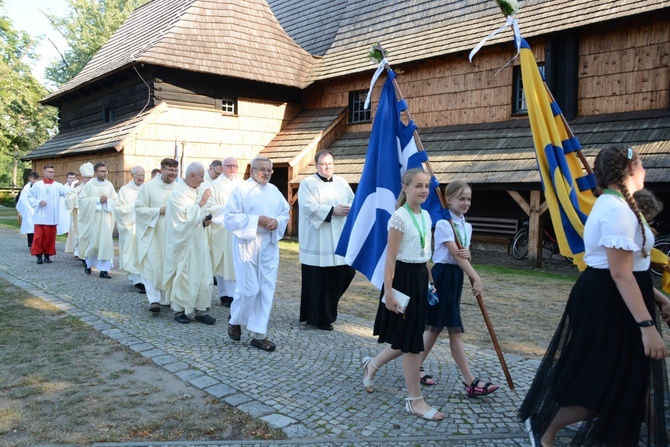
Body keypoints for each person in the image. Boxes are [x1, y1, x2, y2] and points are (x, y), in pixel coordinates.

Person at [519, 146, 669, 447]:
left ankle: (656, 431)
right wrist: (647, 327)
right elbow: (619, 274)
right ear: (629, 170)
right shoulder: (615, 211)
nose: (646, 172)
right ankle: (544, 425)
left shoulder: (621, 207)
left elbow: (630, 269)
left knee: (629, 374)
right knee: (606, 377)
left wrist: (658, 298)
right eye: (642, 165)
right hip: (608, 302)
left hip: (620, 297)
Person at [361, 168, 445, 421]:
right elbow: (390, 260)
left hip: (420, 279)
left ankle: (372, 365)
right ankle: (415, 400)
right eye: (418, 185)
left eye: (426, 186)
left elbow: (423, 252)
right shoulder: (398, 217)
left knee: (409, 338)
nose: (423, 190)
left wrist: (430, 281)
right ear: (405, 187)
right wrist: (388, 293)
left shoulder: (427, 216)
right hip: (402, 282)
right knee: (411, 344)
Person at [418, 180, 498, 396]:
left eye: (469, 199)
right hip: (443, 275)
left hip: (456, 277)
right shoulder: (444, 224)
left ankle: (414, 366)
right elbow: (455, 254)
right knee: (455, 330)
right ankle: (470, 381)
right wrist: (476, 277)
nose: (466, 203)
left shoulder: (466, 225)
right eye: (461, 198)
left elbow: (466, 254)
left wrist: (467, 258)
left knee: (435, 329)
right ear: (449, 199)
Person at [224, 156, 289, 352]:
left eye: (269, 170)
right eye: (262, 170)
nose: (266, 173)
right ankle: (235, 319)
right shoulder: (241, 190)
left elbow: (285, 212)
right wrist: (256, 220)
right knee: (248, 289)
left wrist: (277, 222)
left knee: (265, 290)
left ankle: (259, 335)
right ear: (252, 171)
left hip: (268, 245)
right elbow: (230, 218)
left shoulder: (274, 191)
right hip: (247, 244)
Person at [298, 150, 355, 331]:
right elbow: (308, 207)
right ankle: (317, 318)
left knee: (345, 274)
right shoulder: (308, 183)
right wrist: (332, 211)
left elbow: (354, 202)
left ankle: (327, 312)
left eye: (330, 163)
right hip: (317, 240)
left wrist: (348, 209)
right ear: (316, 165)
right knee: (318, 282)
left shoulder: (342, 183)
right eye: (323, 164)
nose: (327, 166)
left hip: (339, 239)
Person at [162, 162, 216, 324]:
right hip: (183, 243)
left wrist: (205, 220)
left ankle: (200, 310)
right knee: (185, 275)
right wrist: (201, 203)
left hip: (198, 240)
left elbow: (199, 215)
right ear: (191, 176)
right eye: (200, 176)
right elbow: (183, 219)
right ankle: (180, 311)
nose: (202, 180)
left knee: (204, 275)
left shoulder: (198, 189)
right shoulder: (178, 193)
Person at [135, 158, 179, 313]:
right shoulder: (148, 187)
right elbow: (139, 209)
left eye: (175, 170)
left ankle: (167, 298)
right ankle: (154, 299)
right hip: (153, 233)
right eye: (170, 170)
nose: (173, 173)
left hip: (172, 235)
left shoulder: (179, 189)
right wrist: (157, 211)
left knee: (169, 265)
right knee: (152, 265)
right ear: (162, 169)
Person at [205, 156, 239, 308]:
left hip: (239, 229)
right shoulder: (214, 186)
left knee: (237, 261)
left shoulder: (242, 185)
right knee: (223, 261)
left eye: (235, 166)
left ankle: (236, 293)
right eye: (229, 165)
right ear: (223, 168)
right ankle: (225, 294)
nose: (232, 168)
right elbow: (209, 207)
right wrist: (228, 210)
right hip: (222, 229)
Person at [78, 162, 117, 279]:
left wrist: (108, 201)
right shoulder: (89, 185)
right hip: (93, 219)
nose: (104, 173)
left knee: (106, 245)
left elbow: (115, 200)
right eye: (102, 171)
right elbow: (82, 201)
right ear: (95, 173)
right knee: (94, 244)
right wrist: (97, 200)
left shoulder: (109, 185)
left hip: (105, 219)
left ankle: (104, 270)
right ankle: (88, 264)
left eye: (105, 171)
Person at [27, 165, 70, 264]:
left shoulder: (58, 185)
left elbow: (68, 194)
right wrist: (38, 202)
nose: (51, 174)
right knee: (38, 238)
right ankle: (38, 256)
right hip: (40, 216)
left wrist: (76, 190)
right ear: (44, 172)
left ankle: (47, 255)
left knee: (49, 239)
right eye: (49, 172)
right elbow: (29, 197)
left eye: (53, 172)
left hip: (52, 216)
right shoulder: (37, 185)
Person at [113, 166, 145, 293]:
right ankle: (138, 280)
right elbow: (118, 209)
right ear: (132, 175)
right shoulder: (125, 190)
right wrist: (135, 207)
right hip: (131, 226)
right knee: (134, 253)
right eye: (138, 175)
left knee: (144, 254)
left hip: (146, 226)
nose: (141, 178)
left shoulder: (146, 189)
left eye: (143, 175)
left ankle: (142, 279)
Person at [64, 163, 94, 259]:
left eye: (91, 177)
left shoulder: (97, 188)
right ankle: (81, 254)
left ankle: (91, 255)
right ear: (82, 178)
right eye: (87, 178)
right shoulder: (77, 189)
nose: (89, 180)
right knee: (81, 234)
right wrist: (77, 196)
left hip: (93, 215)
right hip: (80, 215)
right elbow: (68, 199)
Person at [16, 172, 39, 249]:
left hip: (37, 209)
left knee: (37, 227)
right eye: (33, 179)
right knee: (30, 227)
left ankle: (37, 244)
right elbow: (23, 199)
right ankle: (30, 244)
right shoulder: (26, 188)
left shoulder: (39, 187)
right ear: (29, 179)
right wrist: (29, 208)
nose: (34, 181)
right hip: (29, 210)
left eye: (35, 179)